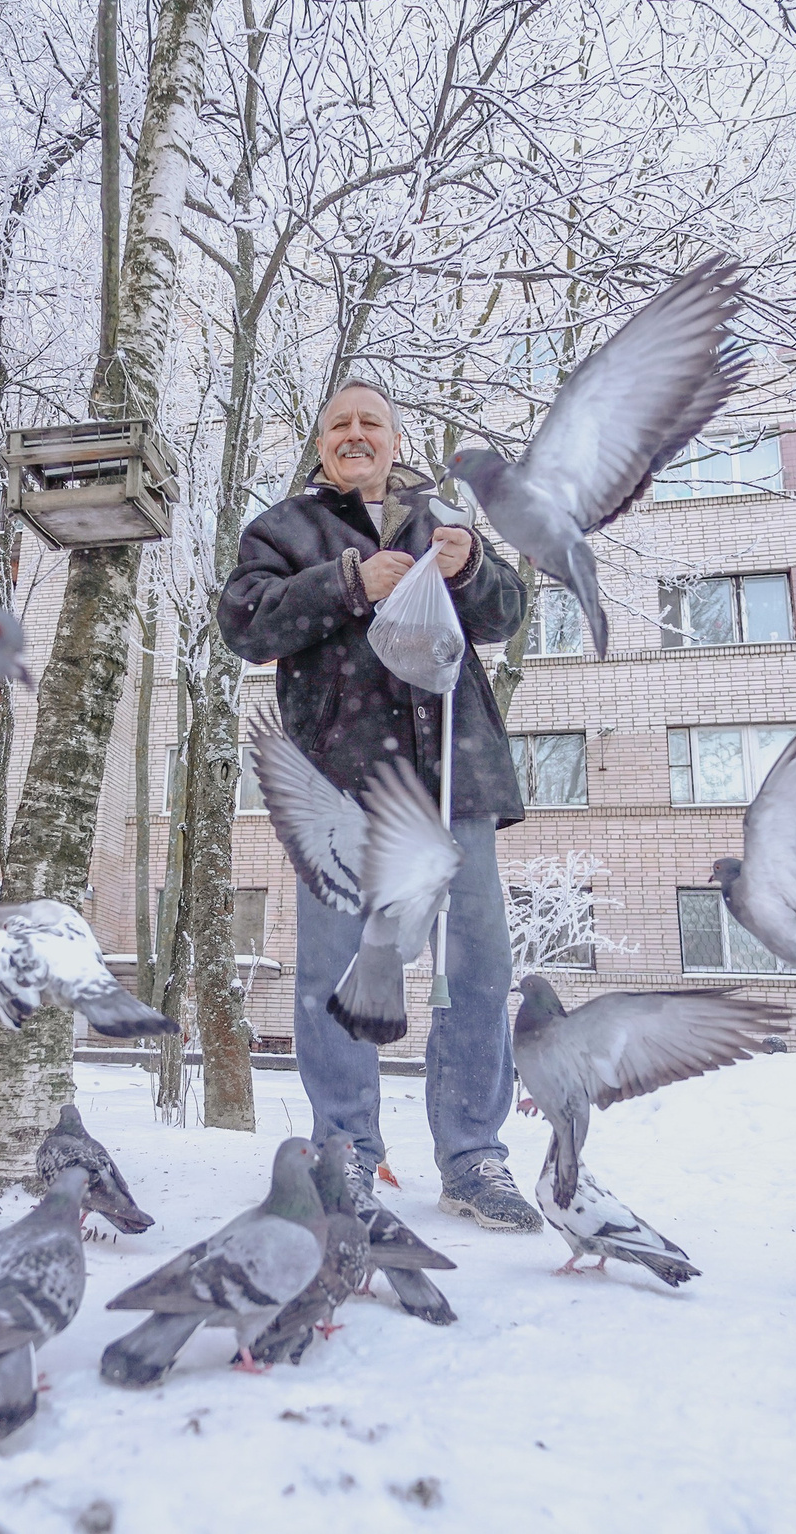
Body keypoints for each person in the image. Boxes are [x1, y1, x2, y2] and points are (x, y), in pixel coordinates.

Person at [216, 379, 538, 1231]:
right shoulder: (285, 530)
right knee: (337, 975)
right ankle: (346, 1152)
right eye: (339, 425)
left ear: (397, 440)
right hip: (341, 783)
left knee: (476, 969)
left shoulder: (446, 525)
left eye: (371, 423)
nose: (355, 435)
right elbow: (246, 623)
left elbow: (508, 613)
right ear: (323, 444)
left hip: (452, 778)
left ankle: (473, 1157)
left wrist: (468, 571)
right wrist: (348, 582)